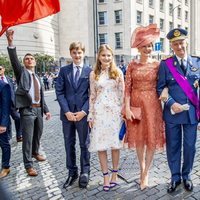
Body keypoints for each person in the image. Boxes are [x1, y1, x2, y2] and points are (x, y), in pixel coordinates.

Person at [157, 28, 200, 193]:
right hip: (173, 114)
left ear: (186, 42)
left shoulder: (197, 63)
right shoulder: (165, 65)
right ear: (171, 46)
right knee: (173, 146)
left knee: (190, 147)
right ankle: (175, 177)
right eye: (175, 44)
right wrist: (170, 103)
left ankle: (187, 176)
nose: (179, 46)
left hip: (190, 114)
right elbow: (160, 88)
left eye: (181, 42)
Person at [124, 24, 165, 190]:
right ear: (139, 48)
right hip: (135, 105)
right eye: (145, 46)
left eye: (150, 46)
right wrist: (126, 108)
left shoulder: (158, 65)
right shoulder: (131, 66)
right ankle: (141, 168)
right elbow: (127, 88)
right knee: (139, 139)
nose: (148, 49)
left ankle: (146, 172)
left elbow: (163, 84)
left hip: (153, 106)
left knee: (151, 140)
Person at [6, 29, 51, 177]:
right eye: (27, 59)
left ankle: (35, 153)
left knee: (38, 134)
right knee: (27, 138)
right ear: (24, 63)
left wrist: (46, 110)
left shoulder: (37, 77)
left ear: (35, 62)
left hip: (38, 110)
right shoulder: (22, 73)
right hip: (27, 110)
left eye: (31, 58)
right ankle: (28, 165)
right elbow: (14, 61)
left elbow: (41, 96)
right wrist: (11, 43)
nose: (29, 60)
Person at [88, 44, 124, 191]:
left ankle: (115, 174)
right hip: (99, 113)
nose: (106, 58)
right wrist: (90, 114)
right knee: (101, 146)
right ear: (98, 56)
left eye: (109, 55)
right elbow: (92, 95)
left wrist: (123, 112)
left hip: (115, 113)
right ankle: (105, 177)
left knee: (115, 145)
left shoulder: (118, 72)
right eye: (103, 55)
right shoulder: (93, 74)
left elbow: (122, 94)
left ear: (112, 56)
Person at [56, 42, 91, 189]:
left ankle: (85, 171)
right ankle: (72, 172)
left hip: (82, 115)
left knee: (84, 144)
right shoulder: (64, 71)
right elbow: (60, 92)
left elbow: (93, 94)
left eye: (79, 53)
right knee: (69, 144)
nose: (77, 55)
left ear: (83, 53)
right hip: (68, 116)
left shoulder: (90, 71)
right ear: (71, 54)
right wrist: (67, 112)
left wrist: (84, 111)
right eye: (74, 53)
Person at [0, 65, 23, 142]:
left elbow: (13, 91)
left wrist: (16, 103)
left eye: (0, 69)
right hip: (2, 106)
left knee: (18, 118)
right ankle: (8, 137)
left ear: (3, 69)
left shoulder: (9, 79)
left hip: (11, 104)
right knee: (7, 122)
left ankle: (19, 135)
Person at [0, 80, 11, 178]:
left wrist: (3, 124)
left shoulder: (4, 85)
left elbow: (6, 107)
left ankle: (6, 167)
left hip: (0, 122)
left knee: (4, 144)